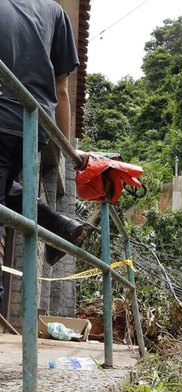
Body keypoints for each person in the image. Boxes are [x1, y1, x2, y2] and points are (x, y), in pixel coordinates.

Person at [0, 0, 91, 304]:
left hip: (2, 117)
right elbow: (61, 89)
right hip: (34, 127)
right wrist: (67, 150)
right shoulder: (55, 12)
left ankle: (57, 224)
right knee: (3, 191)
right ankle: (59, 224)